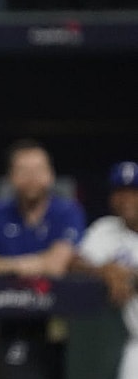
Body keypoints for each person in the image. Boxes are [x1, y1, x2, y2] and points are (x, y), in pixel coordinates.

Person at [0, 138, 87, 379]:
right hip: (16, 320)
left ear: (50, 174)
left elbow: (55, 266)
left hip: (65, 322)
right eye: (23, 171)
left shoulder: (67, 210)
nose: (32, 177)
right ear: (11, 176)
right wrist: (18, 265)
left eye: (38, 170)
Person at [72, 161, 138, 379]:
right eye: (120, 191)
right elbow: (75, 263)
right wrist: (105, 271)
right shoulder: (105, 230)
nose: (127, 199)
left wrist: (128, 276)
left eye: (134, 192)